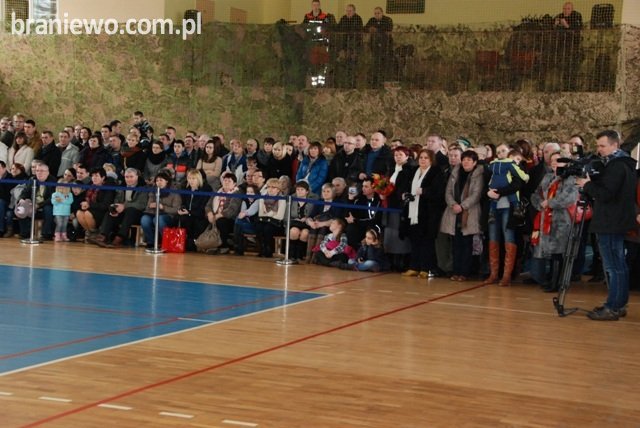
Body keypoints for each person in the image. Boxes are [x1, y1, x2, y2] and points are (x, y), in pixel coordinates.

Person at [576, 130, 637, 320]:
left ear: (614, 145)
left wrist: (587, 185)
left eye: (602, 146)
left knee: (613, 267)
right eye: (598, 146)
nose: (599, 149)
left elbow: (606, 194)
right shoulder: (626, 164)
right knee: (619, 265)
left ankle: (613, 307)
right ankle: (619, 304)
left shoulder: (616, 166)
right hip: (616, 220)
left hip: (610, 221)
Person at [530, 152, 579, 292]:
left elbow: (569, 198)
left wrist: (550, 203)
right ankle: (551, 279)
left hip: (562, 219)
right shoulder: (547, 177)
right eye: (552, 160)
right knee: (550, 253)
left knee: (559, 252)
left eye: (557, 160)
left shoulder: (570, 179)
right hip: (546, 218)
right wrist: (541, 204)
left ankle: (558, 282)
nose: (554, 163)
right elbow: (536, 194)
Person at [484, 143, 530, 286]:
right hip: (494, 206)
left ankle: (506, 275)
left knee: (509, 238)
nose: (500, 153)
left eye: (503, 151)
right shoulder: (493, 166)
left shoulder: (513, 166)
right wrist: (488, 192)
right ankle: (493, 274)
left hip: (509, 207)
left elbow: (517, 185)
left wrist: (499, 192)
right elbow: (487, 182)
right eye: (498, 151)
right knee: (493, 239)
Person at [440, 150, 485, 281]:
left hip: (469, 212)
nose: (466, 162)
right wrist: (453, 204)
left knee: (467, 244)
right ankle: (456, 271)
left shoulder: (478, 175)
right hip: (454, 211)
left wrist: (462, 206)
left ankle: (464, 272)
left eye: (469, 160)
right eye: (464, 159)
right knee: (456, 243)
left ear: (475, 162)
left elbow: (476, 194)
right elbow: (448, 191)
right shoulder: (455, 172)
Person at [401, 149, 446, 278]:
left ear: (431, 160)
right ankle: (414, 266)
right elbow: (407, 186)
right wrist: (405, 194)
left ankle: (426, 268)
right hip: (413, 211)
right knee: (414, 240)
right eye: (421, 157)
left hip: (428, 212)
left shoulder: (436, 172)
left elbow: (439, 192)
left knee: (427, 241)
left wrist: (425, 191)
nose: (423, 160)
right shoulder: (414, 171)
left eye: (426, 158)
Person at [94, 167, 149, 248]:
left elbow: (142, 205)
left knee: (131, 211)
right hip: (123, 213)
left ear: (137, 176)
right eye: (127, 177)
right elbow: (117, 200)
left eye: (131, 177)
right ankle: (102, 236)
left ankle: (119, 237)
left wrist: (124, 206)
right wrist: (115, 208)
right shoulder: (121, 186)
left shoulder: (143, 188)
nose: (129, 179)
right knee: (110, 213)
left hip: (136, 214)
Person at [140, 170, 181, 248]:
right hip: (153, 213)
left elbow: (176, 209)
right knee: (144, 219)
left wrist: (163, 207)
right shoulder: (153, 191)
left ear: (167, 181)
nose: (159, 182)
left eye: (161, 180)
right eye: (157, 180)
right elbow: (148, 206)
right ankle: (151, 242)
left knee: (158, 219)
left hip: (169, 216)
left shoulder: (174, 192)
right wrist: (152, 205)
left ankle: (166, 241)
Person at [205, 172, 242, 254]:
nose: (226, 182)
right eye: (225, 180)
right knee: (201, 221)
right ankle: (207, 244)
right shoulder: (217, 192)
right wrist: (210, 214)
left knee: (221, 222)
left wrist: (218, 215)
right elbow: (208, 205)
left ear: (234, 184)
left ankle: (223, 246)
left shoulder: (237, 193)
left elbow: (232, 210)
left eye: (229, 181)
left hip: (230, 219)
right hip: (215, 216)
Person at [17, 163, 56, 240]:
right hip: (32, 204)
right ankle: (25, 233)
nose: (39, 173)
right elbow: (25, 192)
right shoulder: (32, 180)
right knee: (21, 207)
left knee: (48, 209)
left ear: (47, 172)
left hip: (45, 204)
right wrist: (21, 199)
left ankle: (46, 234)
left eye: (42, 171)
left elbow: (52, 198)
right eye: (37, 170)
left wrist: (39, 205)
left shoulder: (53, 181)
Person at [77, 167, 116, 242]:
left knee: (87, 214)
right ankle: (89, 234)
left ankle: (95, 234)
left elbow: (105, 205)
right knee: (79, 213)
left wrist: (89, 205)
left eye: (96, 176)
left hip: (102, 212)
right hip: (91, 209)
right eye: (92, 176)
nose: (94, 178)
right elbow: (82, 198)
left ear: (103, 177)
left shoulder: (108, 188)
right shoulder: (90, 186)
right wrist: (83, 204)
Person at [177, 169, 211, 252]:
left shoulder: (205, 189)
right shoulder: (185, 188)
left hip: (200, 215)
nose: (191, 181)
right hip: (188, 214)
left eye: (193, 178)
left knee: (197, 222)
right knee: (182, 218)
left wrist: (189, 212)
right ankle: (185, 243)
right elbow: (183, 203)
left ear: (198, 179)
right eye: (189, 178)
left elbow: (203, 208)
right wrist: (182, 209)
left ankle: (193, 244)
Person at [554, 2, 583, 91]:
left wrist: (566, 26)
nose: (565, 11)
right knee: (563, 69)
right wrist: (555, 25)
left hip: (573, 47)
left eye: (568, 9)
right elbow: (554, 31)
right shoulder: (559, 16)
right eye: (564, 9)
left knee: (572, 68)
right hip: (562, 47)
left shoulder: (576, 16)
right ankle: (564, 87)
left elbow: (577, 30)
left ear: (572, 9)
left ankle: (572, 87)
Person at [254, 178, 286, 258]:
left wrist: (268, 214)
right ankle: (262, 249)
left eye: (273, 187)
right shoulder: (262, 197)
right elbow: (261, 214)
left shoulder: (282, 199)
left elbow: (280, 216)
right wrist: (272, 213)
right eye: (268, 187)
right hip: (265, 221)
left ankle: (268, 250)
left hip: (276, 223)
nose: (270, 189)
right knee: (258, 226)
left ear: (278, 189)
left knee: (268, 228)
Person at [364, 7, 394, 87]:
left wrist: (376, 30)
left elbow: (388, 29)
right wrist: (370, 29)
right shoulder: (372, 20)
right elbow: (365, 28)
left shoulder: (388, 20)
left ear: (382, 13)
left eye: (378, 13)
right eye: (375, 13)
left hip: (386, 46)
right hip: (375, 47)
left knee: (385, 64)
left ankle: (385, 82)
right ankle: (375, 82)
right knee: (375, 64)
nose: (376, 15)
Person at [336, 4, 363, 88]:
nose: (348, 12)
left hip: (354, 46)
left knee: (353, 68)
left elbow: (357, 34)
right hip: (344, 46)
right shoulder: (343, 19)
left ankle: (352, 86)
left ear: (354, 11)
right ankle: (343, 85)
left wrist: (354, 49)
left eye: (350, 11)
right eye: (347, 11)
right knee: (343, 67)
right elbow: (339, 29)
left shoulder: (358, 19)